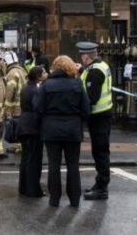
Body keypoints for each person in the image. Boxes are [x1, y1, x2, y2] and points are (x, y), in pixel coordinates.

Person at [34, 55, 90, 207]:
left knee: (53, 164)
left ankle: (54, 198)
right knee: (73, 164)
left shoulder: (47, 85)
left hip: (51, 129)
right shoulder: (77, 84)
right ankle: (74, 199)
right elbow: (86, 109)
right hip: (72, 128)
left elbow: (37, 106)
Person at [76, 41, 113, 201]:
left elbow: (92, 97)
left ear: (86, 56)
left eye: (82, 56)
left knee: (100, 152)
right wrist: (82, 70)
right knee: (100, 151)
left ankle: (102, 188)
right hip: (104, 115)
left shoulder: (95, 73)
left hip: (98, 117)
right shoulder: (100, 66)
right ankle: (99, 185)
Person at [18, 65, 47, 198]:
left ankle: (23, 187)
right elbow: (38, 107)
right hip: (33, 126)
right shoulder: (36, 89)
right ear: (38, 77)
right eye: (44, 73)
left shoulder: (26, 87)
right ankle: (33, 190)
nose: (46, 74)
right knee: (34, 160)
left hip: (24, 124)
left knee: (26, 158)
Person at [2, 50, 25, 154]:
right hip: (23, 104)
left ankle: (18, 147)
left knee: (16, 127)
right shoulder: (22, 71)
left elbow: (10, 91)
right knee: (21, 126)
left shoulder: (11, 73)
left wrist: (6, 108)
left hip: (16, 105)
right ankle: (20, 146)